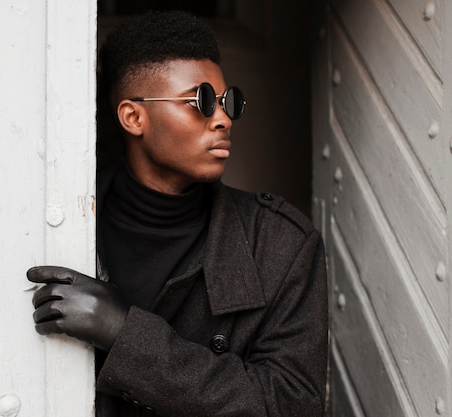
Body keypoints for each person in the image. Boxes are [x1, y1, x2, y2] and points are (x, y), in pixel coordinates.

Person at [27, 10, 328, 417]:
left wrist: (123, 334)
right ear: (134, 117)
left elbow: (292, 405)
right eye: (200, 102)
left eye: (228, 103)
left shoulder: (280, 244)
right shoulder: (54, 224)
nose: (222, 119)